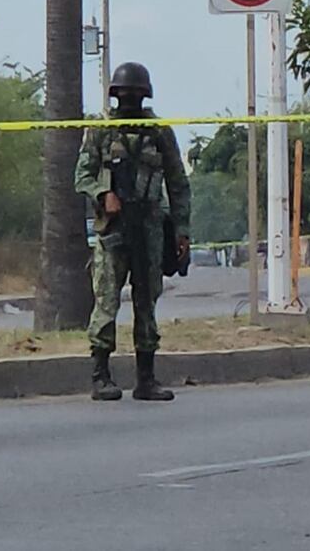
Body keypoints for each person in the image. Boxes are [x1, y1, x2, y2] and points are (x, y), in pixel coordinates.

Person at [74, 62, 191, 402]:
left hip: (151, 227)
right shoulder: (100, 131)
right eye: (124, 95)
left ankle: (146, 379)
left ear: (145, 96)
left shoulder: (158, 132)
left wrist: (181, 229)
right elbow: (81, 176)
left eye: (135, 95)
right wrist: (102, 193)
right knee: (107, 303)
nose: (129, 100)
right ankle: (101, 377)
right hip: (113, 231)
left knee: (147, 302)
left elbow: (178, 182)